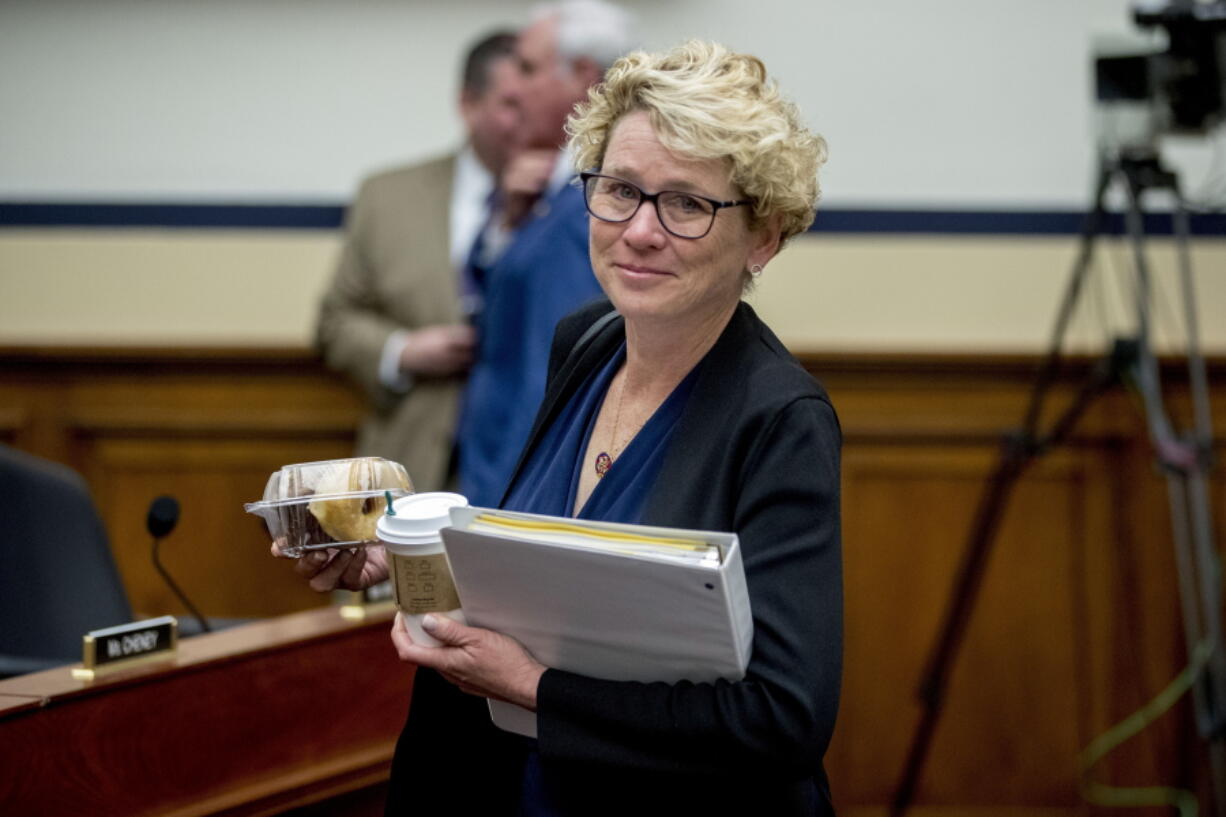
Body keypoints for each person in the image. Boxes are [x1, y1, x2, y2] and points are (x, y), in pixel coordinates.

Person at [294, 40, 840, 815]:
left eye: (686, 202)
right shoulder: (583, 343)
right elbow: (553, 581)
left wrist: (532, 688)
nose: (640, 230)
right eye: (619, 189)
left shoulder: (781, 418)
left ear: (764, 233)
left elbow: (784, 718)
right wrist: (407, 557)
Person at [315, 31, 519, 493]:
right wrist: (402, 352)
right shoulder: (388, 198)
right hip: (411, 464)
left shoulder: (578, 206)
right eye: (510, 104)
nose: (527, 122)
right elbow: (335, 320)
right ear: (469, 104)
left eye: (536, 104)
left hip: (527, 473)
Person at [454, 0, 635, 506]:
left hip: (525, 485)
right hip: (497, 467)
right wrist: (508, 220)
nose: (513, 87)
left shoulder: (596, 202)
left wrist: (519, 499)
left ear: (581, 76)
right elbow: (490, 297)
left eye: (529, 69)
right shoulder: (545, 187)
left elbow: (559, 372)